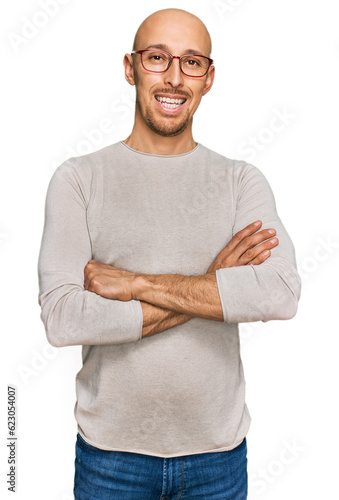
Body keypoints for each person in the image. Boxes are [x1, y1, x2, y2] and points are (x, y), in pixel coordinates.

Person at [38, 8, 301, 500]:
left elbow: (280, 294)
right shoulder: (78, 179)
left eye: (192, 62)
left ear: (209, 78)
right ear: (130, 67)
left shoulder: (240, 181)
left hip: (218, 458)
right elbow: (63, 319)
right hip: (110, 457)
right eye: (158, 58)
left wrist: (134, 284)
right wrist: (217, 284)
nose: (175, 78)